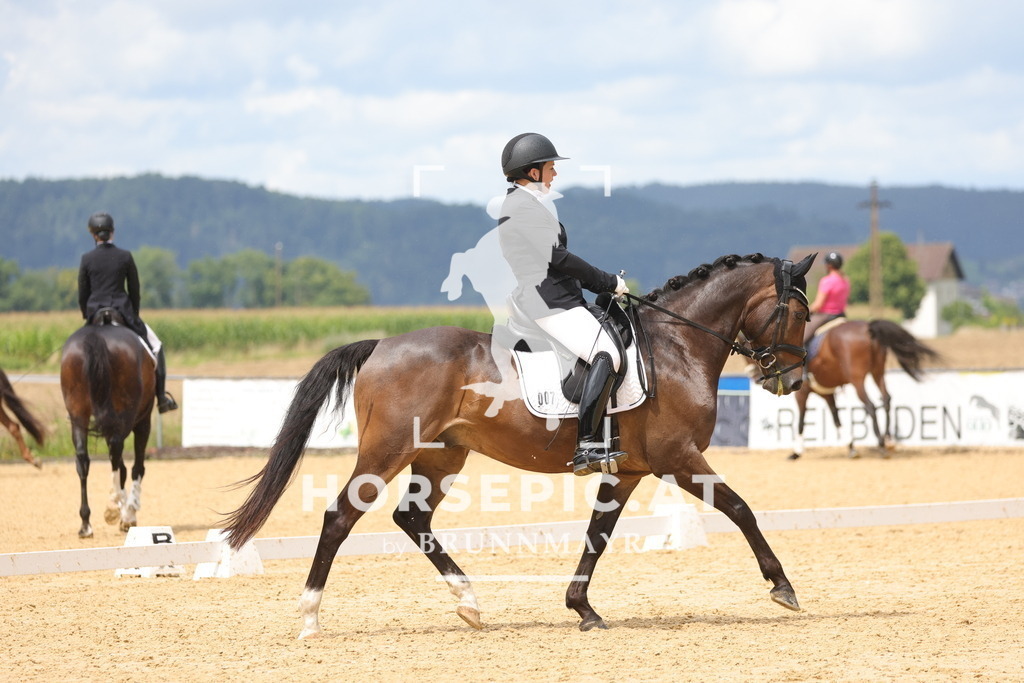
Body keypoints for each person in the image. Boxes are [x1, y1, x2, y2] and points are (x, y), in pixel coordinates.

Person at [496, 133, 629, 476]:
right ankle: (587, 444)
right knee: (607, 354)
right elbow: (558, 258)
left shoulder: (526, 205)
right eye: (550, 167)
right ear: (533, 172)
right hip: (548, 302)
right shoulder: (520, 208)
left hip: (559, 298)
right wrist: (606, 281)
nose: (555, 173)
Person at [78, 212, 178, 413]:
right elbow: (134, 289)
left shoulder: (87, 259)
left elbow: (83, 293)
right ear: (112, 232)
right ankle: (161, 398)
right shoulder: (125, 256)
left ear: (93, 235)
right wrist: (134, 314)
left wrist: (87, 315)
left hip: (95, 313)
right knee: (156, 346)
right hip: (122, 311)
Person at [803, 251, 850, 343]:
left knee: (802, 337)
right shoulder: (845, 281)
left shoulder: (826, 281)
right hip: (841, 315)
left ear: (828, 265)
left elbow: (818, 305)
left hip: (825, 316)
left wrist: (807, 311)